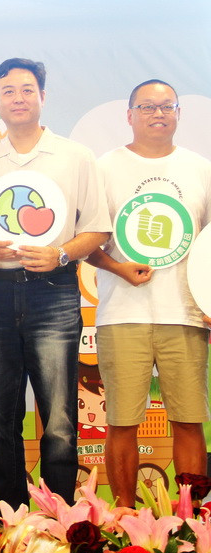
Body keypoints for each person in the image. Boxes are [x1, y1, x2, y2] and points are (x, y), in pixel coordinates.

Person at [0, 58, 110, 508]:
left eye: (28, 89)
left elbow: (98, 228)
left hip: (55, 292)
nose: (19, 98)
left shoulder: (75, 156)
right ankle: (7, 518)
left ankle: (58, 517)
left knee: (60, 420)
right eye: (8, 91)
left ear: (43, 96)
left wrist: (60, 253)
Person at [86, 80, 211, 507]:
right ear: (129, 115)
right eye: (147, 107)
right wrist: (118, 267)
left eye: (166, 106)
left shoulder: (200, 168)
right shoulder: (105, 168)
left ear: (178, 113)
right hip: (122, 313)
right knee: (122, 422)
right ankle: (124, 515)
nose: (158, 114)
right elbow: (87, 241)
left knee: (189, 420)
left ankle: (190, 518)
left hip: (186, 314)